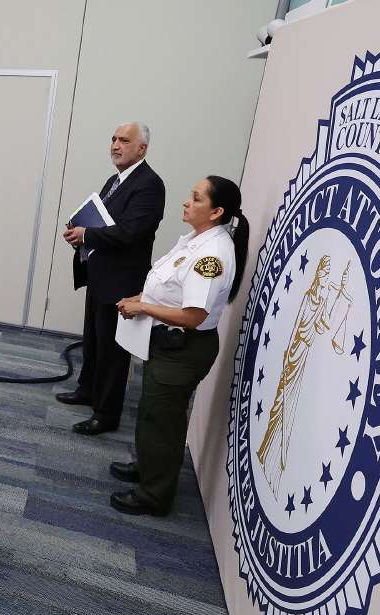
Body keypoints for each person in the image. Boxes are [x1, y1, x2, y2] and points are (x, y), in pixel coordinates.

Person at [108, 175, 249, 515]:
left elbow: (192, 316)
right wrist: (142, 297)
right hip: (167, 344)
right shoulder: (193, 240)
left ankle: (154, 495)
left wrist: (141, 307)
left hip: (183, 347)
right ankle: (149, 467)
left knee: (163, 422)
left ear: (216, 211)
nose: (187, 202)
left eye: (196, 198)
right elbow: (169, 287)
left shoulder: (211, 255)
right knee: (152, 412)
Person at [60, 122, 166, 435]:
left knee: (112, 351)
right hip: (100, 274)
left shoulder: (149, 185)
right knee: (93, 340)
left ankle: (106, 414)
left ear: (141, 149)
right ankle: (88, 390)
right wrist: (81, 233)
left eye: (124, 140)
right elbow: (106, 224)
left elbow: (132, 232)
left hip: (121, 281)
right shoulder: (115, 180)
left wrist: (88, 233)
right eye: (113, 139)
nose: (115, 145)